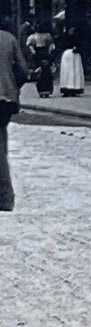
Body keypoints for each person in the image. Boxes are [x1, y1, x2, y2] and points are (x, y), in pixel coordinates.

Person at [0, 27, 31, 210]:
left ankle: (4, 196)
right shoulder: (8, 38)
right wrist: (10, 85)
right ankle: (5, 196)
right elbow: (23, 71)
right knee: (1, 143)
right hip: (6, 100)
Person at [57, 31, 85, 97]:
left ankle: (74, 88)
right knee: (67, 71)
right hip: (68, 54)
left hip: (74, 55)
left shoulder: (76, 37)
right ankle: (67, 88)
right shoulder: (65, 37)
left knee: (74, 71)